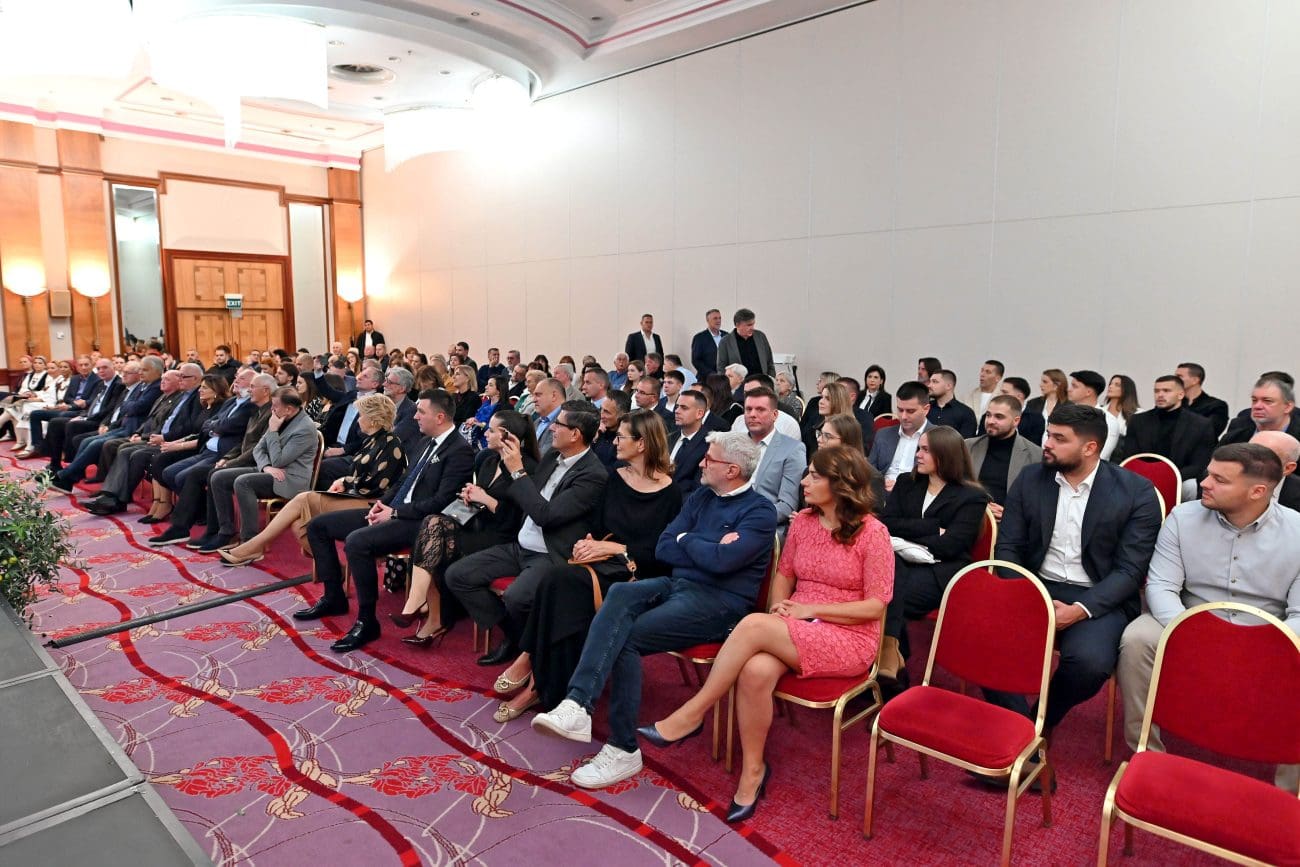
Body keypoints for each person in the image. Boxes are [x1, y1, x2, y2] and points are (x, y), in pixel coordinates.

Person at [642, 447, 891, 822]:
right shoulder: (803, 522)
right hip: (796, 625)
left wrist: (811, 611)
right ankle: (753, 770)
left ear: (840, 484)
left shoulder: (873, 534)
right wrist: (779, 609)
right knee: (755, 670)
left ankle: (693, 713)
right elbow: (784, 575)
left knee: (752, 625)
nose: (803, 482)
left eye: (814, 476)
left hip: (848, 636)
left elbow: (875, 606)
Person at [530, 430, 778, 789]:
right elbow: (664, 547)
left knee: (626, 637)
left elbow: (722, 563)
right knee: (620, 593)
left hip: (719, 603)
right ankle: (579, 705)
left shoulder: (760, 512)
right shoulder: (701, 497)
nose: (701, 463)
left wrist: (688, 540)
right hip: (679, 584)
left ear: (732, 470)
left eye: (709, 459)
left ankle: (623, 748)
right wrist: (706, 544)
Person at [1117, 443, 1300, 793]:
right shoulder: (1182, 517)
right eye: (1208, 473)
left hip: (1265, 628)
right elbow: (1161, 586)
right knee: (1138, 638)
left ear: (1257, 491)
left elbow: (1299, 615)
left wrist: (1266, 647)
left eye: (1220, 479)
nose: (1204, 483)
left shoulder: (1298, 532)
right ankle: (1145, 753)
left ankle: (1288, 794)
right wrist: (1193, 633)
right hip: (1188, 617)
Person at [492, 410, 683, 722]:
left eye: (621, 436)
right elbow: (595, 524)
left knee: (563, 586)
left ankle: (533, 671)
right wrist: (588, 542)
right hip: (600, 564)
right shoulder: (614, 478)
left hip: (638, 574)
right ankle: (538, 676)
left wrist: (616, 548)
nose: (614, 441)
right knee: (557, 581)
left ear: (642, 444)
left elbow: (662, 552)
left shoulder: (671, 493)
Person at [989, 404, 1162, 739]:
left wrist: (1080, 609)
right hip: (1035, 585)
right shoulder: (1031, 478)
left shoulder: (1136, 492)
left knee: (1090, 664)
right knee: (980, 636)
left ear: (1090, 447)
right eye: (1048, 434)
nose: (1047, 444)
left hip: (1097, 595)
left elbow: (1130, 570)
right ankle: (1023, 730)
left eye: (1059, 438)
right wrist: (1027, 596)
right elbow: (1008, 547)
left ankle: (1042, 722)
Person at [297, 389, 476, 652]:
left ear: (439, 417)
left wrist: (394, 513)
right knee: (318, 526)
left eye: (421, 412)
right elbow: (403, 481)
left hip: (421, 523)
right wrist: (382, 505)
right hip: (396, 512)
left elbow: (441, 502)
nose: (414, 416)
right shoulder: (425, 442)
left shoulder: (460, 451)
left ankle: (367, 621)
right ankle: (334, 596)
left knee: (357, 542)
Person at [445, 400, 609, 665]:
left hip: (550, 553)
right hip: (520, 544)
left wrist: (517, 470)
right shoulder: (553, 457)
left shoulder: (593, 475)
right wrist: (484, 492)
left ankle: (526, 647)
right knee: (457, 575)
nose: (551, 427)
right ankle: (516, 637)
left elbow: (545, 515)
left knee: (516, 597)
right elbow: (523, 498)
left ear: (575, 434)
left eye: (558, 424)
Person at [394, 411, 540, 645]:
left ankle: (430, 613)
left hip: (503, 536)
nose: (486, 433)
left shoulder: (528, 468)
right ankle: (423, 607)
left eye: (491, 430)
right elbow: (480, 501)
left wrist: (486, 499)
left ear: (506, 436)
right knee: (431, 525)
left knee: (434, 543)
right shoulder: (488, 460)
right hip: (477, 524)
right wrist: (470, 496)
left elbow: (519, 518)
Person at [217, 393, 407, 565]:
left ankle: (253, 546)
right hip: (356, 496)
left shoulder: (391, 443)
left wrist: (345, 481)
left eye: (362, 415)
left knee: (303, 499)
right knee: (298, 524)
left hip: (371, 503)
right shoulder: (372, 440)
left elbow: (376, 485)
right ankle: (334, 568)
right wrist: (345, 481)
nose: (358, 420)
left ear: (373, 419)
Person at [879, 426, 989, 681]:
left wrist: (907, 535)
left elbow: (950, 545)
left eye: (926, 450)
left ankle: (893, 664)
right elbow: (886, 524)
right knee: (881, 588)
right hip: (900, 560)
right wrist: (932, 528)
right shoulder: (907, 482)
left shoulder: (972, 497)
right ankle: (892, 662)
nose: (918, 454)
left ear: (946, 455)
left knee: (888, 596)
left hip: (941, 570)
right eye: (919, 448)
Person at [196, 386, 318, 553]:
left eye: (275, 406)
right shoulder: (278, 417)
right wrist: (266, 467)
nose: (272, 409)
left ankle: (250, 542)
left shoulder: (304, 428)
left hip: (289, 478)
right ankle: (226, 533)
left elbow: (279, 460)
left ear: (289, 409)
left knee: (244, 482)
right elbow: (258, 449)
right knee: (218, 477)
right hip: (270, 471)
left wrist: (273, 431)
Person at [1113, 375, 1216, 487]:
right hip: (1142, 478)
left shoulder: (1200, 424)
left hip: (1180, 479)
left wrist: (1169, 477)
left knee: (1190, 486)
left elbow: (1199, 464)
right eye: (1156, 391)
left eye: (1166, 391)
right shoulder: (1138, 420)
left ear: (1181, 395)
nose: (1160, 395)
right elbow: (1130, 456)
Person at [740, 388, 806, 527]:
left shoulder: (792, 449)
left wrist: (749, 519)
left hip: (763, 525)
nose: (752, 415)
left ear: (775, 415)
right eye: (748, 409)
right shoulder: (732, 445)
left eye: (760, 410)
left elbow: (787, 506)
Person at [966, 394, 1042, 514]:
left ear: (1016, 421)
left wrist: (1010, 514)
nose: (990, 421)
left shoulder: (1035, 455)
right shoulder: (968, 446)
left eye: (999, 417)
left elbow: (1037, 500)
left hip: (1010, 521)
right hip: (968, 515)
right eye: (988, 415)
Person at [868, 381, 931, 491]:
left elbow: (939, 480)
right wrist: (879, 484)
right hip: (881, 492)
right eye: (900, 410)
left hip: (916, 493)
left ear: (926, 409)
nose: (904, 416)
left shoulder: (937, 437)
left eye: (910, 411)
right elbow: (870, 469)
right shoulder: (883, 434)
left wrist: (901, 487)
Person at [1220, 375, 1300, 444]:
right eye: (1254, 400)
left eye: (1267, 401)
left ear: (1287, 407)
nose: (1257, 406)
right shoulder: (1235, 435)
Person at [3, 356, 55, 452]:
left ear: (45, 365)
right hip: (28, 398)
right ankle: (20, 441)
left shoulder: (48, 376)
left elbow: (47, 393)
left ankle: (28, 443)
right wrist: (26, 394)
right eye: (35, 363)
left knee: (20, 407)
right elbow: (23, 389)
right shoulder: (30, 376)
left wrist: (33, 396)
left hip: (42, 401)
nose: (37, 365)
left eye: (40, 363)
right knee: (11, 408)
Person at [1068, 370, 1121, 459]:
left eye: (1075, 386)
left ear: (1088, 392)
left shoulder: (1108, 420)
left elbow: (1101, 455)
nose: (1069, 389)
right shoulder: (1064, 414)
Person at [667, 389, 711, 494]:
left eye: (684, 408)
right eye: (677, 406)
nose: (677, 411)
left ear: (699, 414)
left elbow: (698, 488)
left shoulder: (709, 445)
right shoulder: (669, 437)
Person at [716, 308, 775, 378]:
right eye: (748, 325)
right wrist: (727, 384)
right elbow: (721, 368)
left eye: (753, 324)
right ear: (737, 325)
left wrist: (771, 380)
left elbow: (770, 362)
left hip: (762, 382)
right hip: (739, 384)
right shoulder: (725, 342)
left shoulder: (761, 336)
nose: (752, 328)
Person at [1176, 361, 1229, 436]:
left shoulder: (1216, 405)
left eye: (1179, 376)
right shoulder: (1173, 403)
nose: (1174, 380)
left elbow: (1210, 431)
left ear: (1195, 380)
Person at [1253, 430, 1300, 512]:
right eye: (1245, 453)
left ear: (1288, 468)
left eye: (1262, 457)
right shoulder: (1230, 480)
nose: (1248, 461)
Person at [926, 370, 977, 438]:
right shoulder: (925, 408)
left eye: (935, 382)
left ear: (948, 386)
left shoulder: (966, 413)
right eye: (930, 382)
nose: (929, 385)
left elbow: (966, 442)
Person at [462, 374, 508, 450]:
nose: (486, 387)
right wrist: (472, 420)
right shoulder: (485, 404)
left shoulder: (505, 408)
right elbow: (477, 419)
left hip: (490, 444)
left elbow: (500, 430)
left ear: (499, 390)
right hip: (476, 439)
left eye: (490, 385)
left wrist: (480, 424)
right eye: (487, 384)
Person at [999, 376, 1045, 444]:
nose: (1000, 395)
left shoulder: (1035, 418)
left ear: (1019, 396)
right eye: (1001, 392)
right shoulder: (992, 414)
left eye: (1005, 392)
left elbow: (1034, 446)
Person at [1024, 369, 1068, 437]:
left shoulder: (1069, 406)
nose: (1040, 385)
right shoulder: (1033, 403)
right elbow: (1025, 427)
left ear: (1056, 385)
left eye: (1045, 382)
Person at [690, 308, 728, 380]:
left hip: (724, 378)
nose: (718, 321)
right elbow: (696, 360)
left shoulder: (726, 335)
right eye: (715, 318)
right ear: (708, 320)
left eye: (720, 318)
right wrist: (711, 374)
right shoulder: (699, 338)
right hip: (707, 378)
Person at [1102, 374, 1139, 439]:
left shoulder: (1138, 413)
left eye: (1117, 385)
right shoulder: (1099, 411)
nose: (1110, 386)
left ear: (1127, 389)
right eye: (1110, 384)